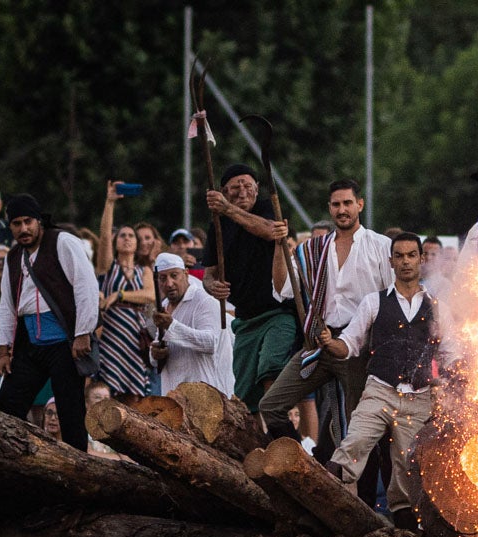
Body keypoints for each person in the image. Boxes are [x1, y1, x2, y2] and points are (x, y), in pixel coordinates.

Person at [322, 233, 450, 530]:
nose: (405, 261)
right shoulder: (373, 301)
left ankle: (405, 532)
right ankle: (323, 501)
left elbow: (450, 349)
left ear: (421, 259)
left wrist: (448, 381)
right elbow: (350, 343)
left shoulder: (437, 305)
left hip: (418, 397)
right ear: (391, 261)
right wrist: (330, 343)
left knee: (406, 469)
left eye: (411, 255)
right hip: (379, 389)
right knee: (353, 443)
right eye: (399, 256)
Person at [258, 179, 393, 442]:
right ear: (329, 208)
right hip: (319, 343)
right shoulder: (312, 249)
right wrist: (278, 245)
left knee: (359, 426)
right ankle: (299, 463)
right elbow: (282, 289)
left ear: (360, 204)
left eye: (347, 203)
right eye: (336, 205)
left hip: (361, 346)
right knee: (270, 405)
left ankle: (359, 483)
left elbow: (391, 300)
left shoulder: (380, 245)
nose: (342, 210)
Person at [0, 194, 99, 451]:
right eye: (16, 224)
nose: (23, 229)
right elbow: (7, 304)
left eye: (28, 221)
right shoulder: (13, 257)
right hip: (29, 342)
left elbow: (86, 286)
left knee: (70, 411)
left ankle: (79, 474)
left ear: (39, 221)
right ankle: (13, 461)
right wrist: (3, 349)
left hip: (63, 339)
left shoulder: (62, 241)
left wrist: (83, 332)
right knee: (8, 404)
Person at [201, 163, 296, 412]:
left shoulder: (267, 208)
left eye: (248, 185)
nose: (242, 191)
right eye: (235, 187)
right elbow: (208, 274)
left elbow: (270, 232)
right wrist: (213, 286)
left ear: (256, 189)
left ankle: (281, 430)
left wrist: (228, 209)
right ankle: (254, 444)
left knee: (270, 368)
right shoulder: (217, 225)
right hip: (244, 320)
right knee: (244, 396)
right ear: (224, 190)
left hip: (278, 313)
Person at [95, 181, 155, 397]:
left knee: (136, 397)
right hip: (112, 335)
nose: (127, 238)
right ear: (116, 241)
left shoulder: (144, 270)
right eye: (123, 235)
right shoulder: (109, 267)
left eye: (131, 236)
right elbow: (103, 238)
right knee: (110, 392)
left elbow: (150, 295)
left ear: (137, 244)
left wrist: (119, 294)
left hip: (135, 337)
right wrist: (109, 203)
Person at [147, 252, 234, 396]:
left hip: (207, 394)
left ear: (186, 274)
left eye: (174, 276)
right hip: (175, 393)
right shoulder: (164, 306)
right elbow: (159, 346)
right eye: (163, 278)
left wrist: (172, 325)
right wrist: (155, 353)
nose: (169, 283)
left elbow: (210, 342)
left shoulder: (204, 301)